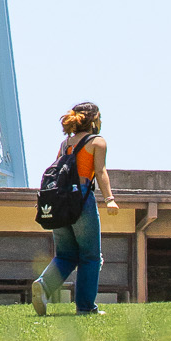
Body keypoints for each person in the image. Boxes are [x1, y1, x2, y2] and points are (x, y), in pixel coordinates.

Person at [32, 101, 118, 316]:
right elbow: (100, 172)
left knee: (66, 254)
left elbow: (54, 171)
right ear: (94, 119)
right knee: (90, 256)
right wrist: (109, 199)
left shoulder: (65, 144)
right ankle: (86, 307)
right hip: (81, 198)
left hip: (59, 199)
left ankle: (43, 285)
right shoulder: (97, 142)